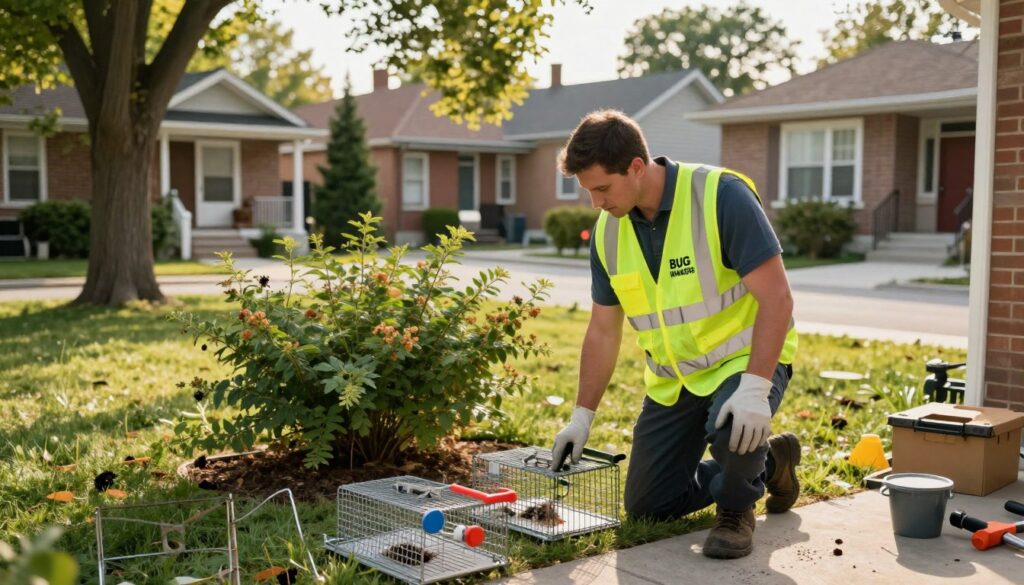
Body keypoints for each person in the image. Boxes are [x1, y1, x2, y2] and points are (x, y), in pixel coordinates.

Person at [550, 109, 800, 559]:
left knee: (732, 426)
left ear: (637, 167)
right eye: (588, 192)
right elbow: (603, 330)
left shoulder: (720, 195)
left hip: (742, 364)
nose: (596, 204)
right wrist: (581, 417)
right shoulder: (608, 233)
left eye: (602, 189)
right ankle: (771, 460)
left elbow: (778, 299)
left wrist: (756, 389)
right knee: (648, 506)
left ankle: (735, 507)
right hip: (675, 382)